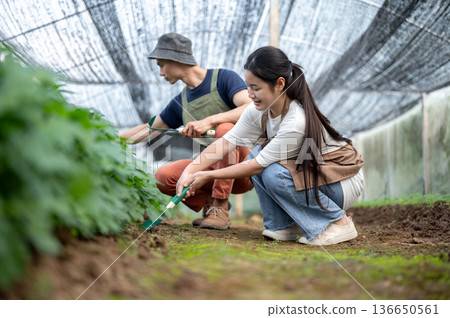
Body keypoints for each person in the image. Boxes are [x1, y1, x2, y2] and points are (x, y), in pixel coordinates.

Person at [176, 46, 365, 245]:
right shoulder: (258, 110)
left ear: (279, 84)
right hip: (312, 175)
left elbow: (257, 166)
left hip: (340, 182)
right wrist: (189, 171)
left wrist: (207, 175)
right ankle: (282, 226)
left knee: (272, 172)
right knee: (258, 156)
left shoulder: (295, 120)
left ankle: (338, 222)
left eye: (256, 88)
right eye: (248, 86)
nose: (250, 94)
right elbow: (226, 142)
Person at [119, 33, 253, 230]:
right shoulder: (180, 102)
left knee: (225, 130)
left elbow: (249, 108)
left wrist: (209, 121)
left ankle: (221, 206)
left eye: (162, 65)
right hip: (211, 167)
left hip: (243, 167)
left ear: (176, 60)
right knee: (164, 177)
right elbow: (150, 129)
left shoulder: (223, 78)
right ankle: (211, 203)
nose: (161, 73)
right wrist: (110, 137)